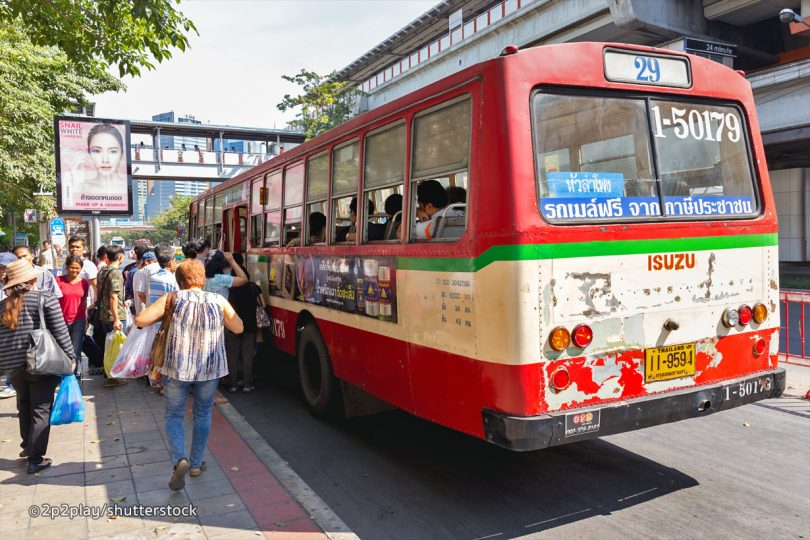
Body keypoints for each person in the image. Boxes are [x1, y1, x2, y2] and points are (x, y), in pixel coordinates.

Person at [135, 260, 243, 489]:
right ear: (202, 279)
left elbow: (140, 320)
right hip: (210, 369)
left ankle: (179, 460)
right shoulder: (218, 300)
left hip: (176, 368)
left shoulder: (173, 298)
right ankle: (195, 465)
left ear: (180, 280)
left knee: (174, 415)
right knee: (202, 415)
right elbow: (239, 327)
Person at [0, 259, 75, 474]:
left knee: (24, 404)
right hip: (41, 362)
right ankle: (35, 458)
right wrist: (71, 357)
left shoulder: (1, 306)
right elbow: (60, 331)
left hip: (12, 366)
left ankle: (27, 447)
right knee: (40, 409)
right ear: (32, 279)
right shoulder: (44, 298)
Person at [224, 254, 258, 393]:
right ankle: (247, 385)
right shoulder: (253, 286)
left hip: (233, 324)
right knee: (247, 356)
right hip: (250, 325)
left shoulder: (229, 286)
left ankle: (232, 384)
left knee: (233, 355)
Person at [65, 123, 127, 200]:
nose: (105, 160)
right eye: (97, 151)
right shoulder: (81, 186)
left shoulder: (128, 188)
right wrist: (76, 183)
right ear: (89, 154)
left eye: (113, 151)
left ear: (122, 154)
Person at [56, 255, 90, 377]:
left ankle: (74, 376)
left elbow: (84, 300)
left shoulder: (84, 283)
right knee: (62, 349)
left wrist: (86, 318)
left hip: (78, 320)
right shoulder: (58, 281)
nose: (74, 270)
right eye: (72, 268)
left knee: (76, 350)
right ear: (67, 267)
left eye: (77, 268)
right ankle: (63, 374)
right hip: (60, 321)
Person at [96, 245, 127, 353]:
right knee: (118, 349)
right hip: (114, 315)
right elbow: (113, 297)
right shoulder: (115, 273)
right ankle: (115, 369)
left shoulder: (102, 271)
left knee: (109, 348)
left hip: (103, 315)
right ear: (120, 257)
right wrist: (117, 319)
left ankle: (107, 368)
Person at [133, 250, 158, 314]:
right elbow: (141, 294)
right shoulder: (140, 272)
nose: (156, 264)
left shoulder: (139, 272)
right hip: (144, 311)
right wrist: (150, 306)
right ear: (147, 262)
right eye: (155, 261)